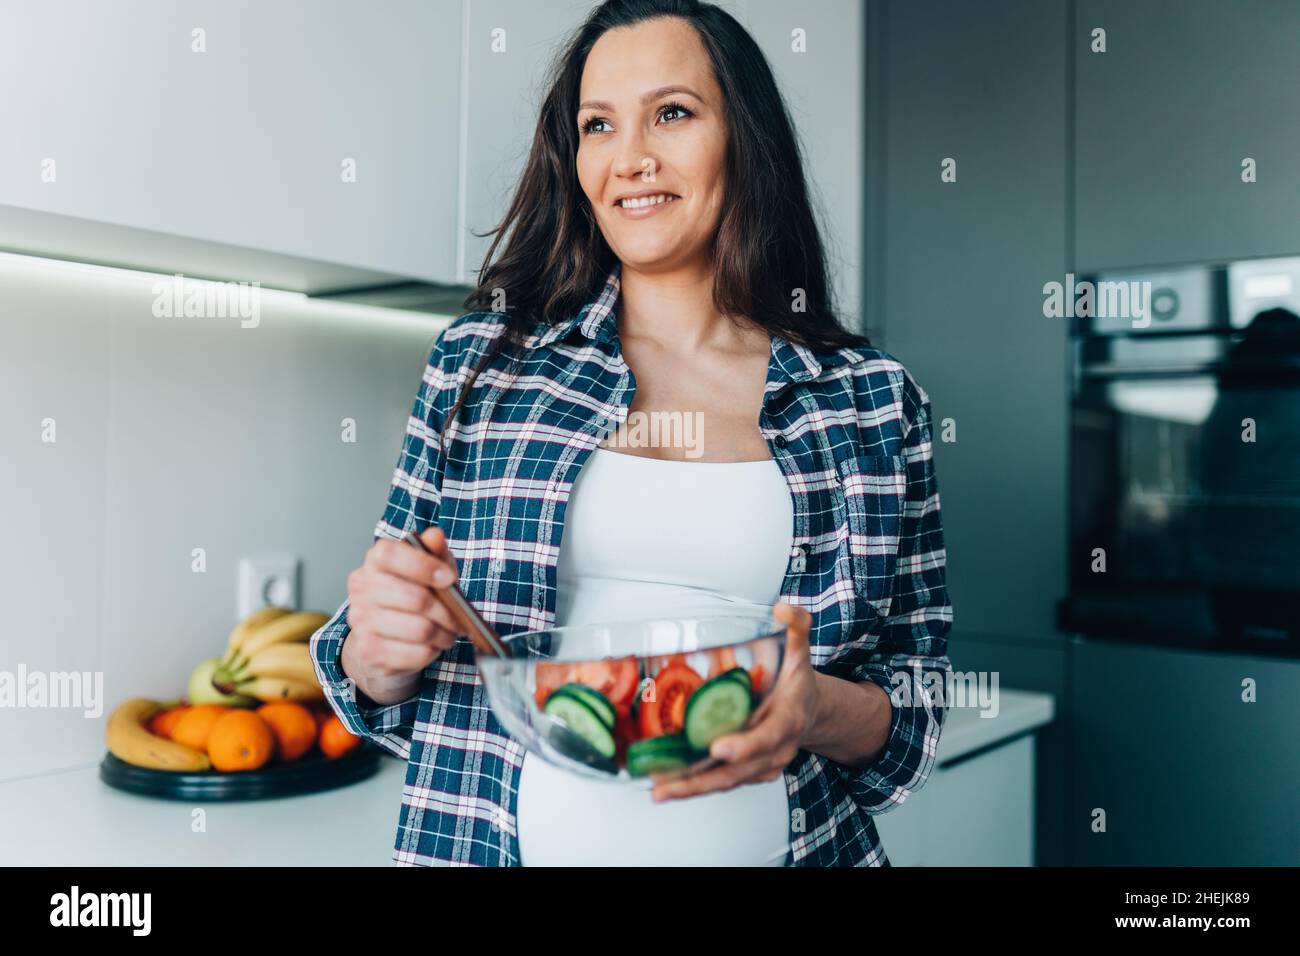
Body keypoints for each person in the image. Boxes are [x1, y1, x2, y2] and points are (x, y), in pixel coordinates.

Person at [310, 0, 953, 866]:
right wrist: (375, 653)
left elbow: (910, 711)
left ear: (744, 137)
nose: (631, 158)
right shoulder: (480, 367)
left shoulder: (871, 403)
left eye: (673, 114)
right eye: (598, 125)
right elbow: (372, 677)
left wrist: (809, 710)